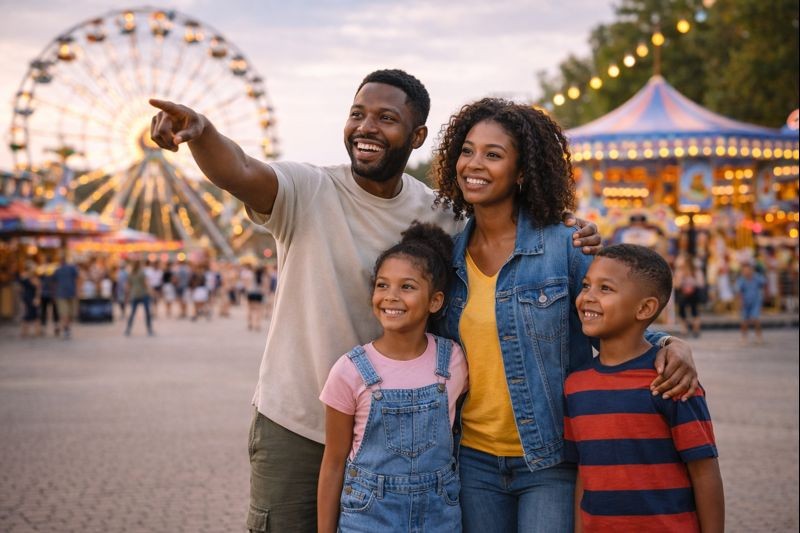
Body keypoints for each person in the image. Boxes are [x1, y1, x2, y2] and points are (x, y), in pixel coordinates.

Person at [149, 69, 600, 532]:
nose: (367, 127)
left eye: (386, 118)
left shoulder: (440, 215)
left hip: (396, 439)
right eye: (357, 114)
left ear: (417, 135)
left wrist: (561, 226)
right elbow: (241, 171)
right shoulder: (307, 189)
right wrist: (201, 134)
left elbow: (510, 235)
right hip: (299, 424)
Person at [430, 98, 698, 532]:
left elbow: (609, 319)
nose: (474, 164)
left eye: (493, 154)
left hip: (550, 456)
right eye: (467, 150)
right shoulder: (447, 255)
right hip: (471, 460)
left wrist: (667, 342)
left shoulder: (565, 246)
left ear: (521, 172)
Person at [318, 222, 467, 532]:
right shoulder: (350, 370)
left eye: (407, 286)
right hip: (368, 517)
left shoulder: (452, 359)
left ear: (435, 301)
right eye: (382, 285)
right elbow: (333, 463)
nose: (391, 296)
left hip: (439, 517)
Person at [565, 244, 724, 532]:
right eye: (586, 285)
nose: (587, 297)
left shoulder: (672, 380)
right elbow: (583, 474)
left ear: (645, 308)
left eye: (605, 289)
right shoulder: (575, 386)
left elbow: (704, 471)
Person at [673, 254, 705, 338]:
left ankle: (687, 330)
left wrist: (688, 286)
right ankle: (692, 330)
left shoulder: (685, 272)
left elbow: (677, 285)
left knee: (686, 312)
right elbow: (701, 284)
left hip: (688, 294)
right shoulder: (695, 272)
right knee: (691, 312)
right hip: (689, 294)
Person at [735, 261, 766, 344]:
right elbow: (738, 292)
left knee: (756, 319)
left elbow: (764, 284)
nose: (746, 272)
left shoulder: (757, 277)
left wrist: (766, 296)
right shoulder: (741, 279)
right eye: (744, 270)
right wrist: (740, 302)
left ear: (751, 270)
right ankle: (744, 337)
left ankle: (759, 336)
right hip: (745, 302)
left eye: (747, 270)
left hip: (755, 301)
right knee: (744, 321)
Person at [53, 252, 79, 339]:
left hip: (66, 293)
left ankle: (65, 328)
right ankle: (66, 329)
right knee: (66, 313)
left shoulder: (69, 269)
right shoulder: (59, 270)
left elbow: (77, 279)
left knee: (68, 314)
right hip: (65, 294)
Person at [125, 260, 154, 336]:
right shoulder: (142, 273)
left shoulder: (131, 274)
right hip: (143, 294)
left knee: (132, 313)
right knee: (147, 313)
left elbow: (128, 286)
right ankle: (149, 329)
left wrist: (128, 295)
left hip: (134, 294)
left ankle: (128, 329)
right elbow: (146, 283)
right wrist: (151, 292)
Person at [18, 263, 41, 338]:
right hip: (28, 297)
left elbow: (38, 288)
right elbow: (21, 288)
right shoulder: (26, 277)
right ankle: (26, 332)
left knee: (33, 314)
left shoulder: (29, 277)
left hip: (31, 297)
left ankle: (34, 332)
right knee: (29, 314)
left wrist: (37, 298)